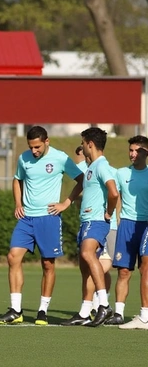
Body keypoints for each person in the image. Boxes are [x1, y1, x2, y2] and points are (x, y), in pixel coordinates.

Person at [0, 126, 83, 326]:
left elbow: (81, 180)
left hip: (49, 218)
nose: (33, 151)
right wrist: (18, 203)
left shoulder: (60, 158)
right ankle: (15, 310)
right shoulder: (24, 158)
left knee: (48, 264)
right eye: (31, 147)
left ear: (46, 141)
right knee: (12, 257)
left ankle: (42, 310)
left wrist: (65, 204)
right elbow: (17, 180)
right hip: (26, 218)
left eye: (37, 147)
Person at [62, 127, 118, 327]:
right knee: (84, 268)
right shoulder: (92, 167)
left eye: (83, 143)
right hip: (86, 221)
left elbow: (113, 193)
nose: (82, 147)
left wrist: (109, 212)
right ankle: (84, 312)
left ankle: (103, 304)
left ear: (90, 144)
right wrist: (66, 203)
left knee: (88, 254)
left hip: (96, 221)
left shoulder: (102, 166)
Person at [109, 136, 148, 326]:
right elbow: (113, 196)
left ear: (146, 153)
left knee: (145, 270)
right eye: (131, 150)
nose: (133, 154)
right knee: (123, 271)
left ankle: (144, 314)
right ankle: (118, 313)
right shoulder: (121, 173)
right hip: (126, 224)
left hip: (145, 226)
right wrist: (114, 217)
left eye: (137, 150)